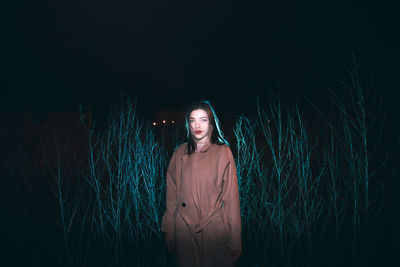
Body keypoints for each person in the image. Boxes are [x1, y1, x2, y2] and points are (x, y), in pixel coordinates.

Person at [161, 100, 242, 267]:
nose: (197, 125)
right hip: (184, 229)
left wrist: (236, 240)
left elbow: (231, 200)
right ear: (187, 124)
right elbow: (171, 198)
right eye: (192, 120)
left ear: (211, 123)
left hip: (215, 230)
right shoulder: (179, 154)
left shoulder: (223, 152)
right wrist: (169, 229)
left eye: (203, 119)